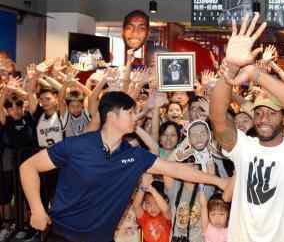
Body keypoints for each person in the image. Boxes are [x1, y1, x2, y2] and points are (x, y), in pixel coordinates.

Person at [19, 91, 227, 242]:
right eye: (130, 112)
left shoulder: (134, 155)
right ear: (111, 116)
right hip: (62, 235)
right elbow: (28, 167)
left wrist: (218, 181)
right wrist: (37, 209)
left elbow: (175, 169)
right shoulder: (77, 145)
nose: (135, 117)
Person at [209, 13, 284, 241]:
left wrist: (257, 75)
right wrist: (230, 68)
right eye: (259, 112)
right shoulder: (245, 148)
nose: (263, 118)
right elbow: (218, 118)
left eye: (272, 113)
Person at [133, 174, 171, 242]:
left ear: (165, 201)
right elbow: (136, 206)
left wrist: (153, 191)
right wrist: (143, 186)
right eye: (148, 203)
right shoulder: (144, 217)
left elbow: (165, 209)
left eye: (156, 203)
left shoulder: (166, 216)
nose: (152, 207)